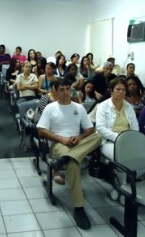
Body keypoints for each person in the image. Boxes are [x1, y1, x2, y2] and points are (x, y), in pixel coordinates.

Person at [37, 78, 102, 230]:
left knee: (98, 136)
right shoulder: (50, 108)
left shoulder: (78, 108)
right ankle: (79, 208)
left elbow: (89, 129)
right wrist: (62, 139)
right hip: (59, 144)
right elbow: (41, 130)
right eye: (62, 89)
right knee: (74, 164)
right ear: (55, 90)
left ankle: (66, 159)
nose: (66, 92)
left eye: (68, 89)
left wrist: (78, 137)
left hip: (77, 143)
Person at [95, 78, 139, 200]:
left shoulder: (129, 107)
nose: (121, 92)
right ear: (111, 91)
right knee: (122, 158)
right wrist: (119, 138)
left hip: (128, 141)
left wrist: (131, 139)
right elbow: (100, 128)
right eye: (118, 89)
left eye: (123, 90)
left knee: (143, 158)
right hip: (108, 141)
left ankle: (118, 185)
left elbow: (135, 127)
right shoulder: (103, 106)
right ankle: (124, 185)